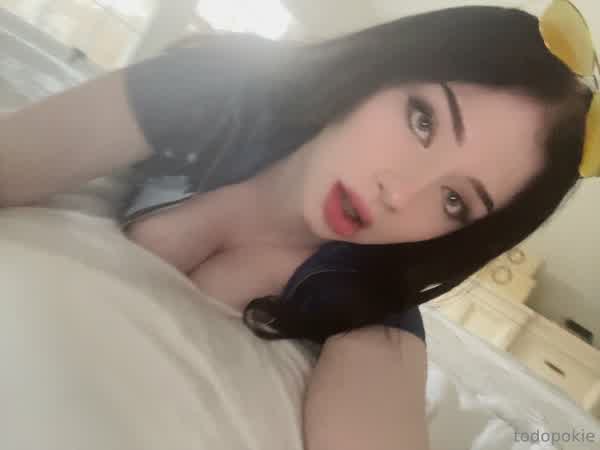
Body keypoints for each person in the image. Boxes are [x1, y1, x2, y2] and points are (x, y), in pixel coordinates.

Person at [0, 5, 595, 450]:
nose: (399, 193)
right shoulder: (219, 89)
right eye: (422, 121)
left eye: (455, 200)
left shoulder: (372, 309)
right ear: (386, 68)